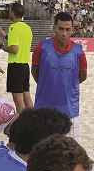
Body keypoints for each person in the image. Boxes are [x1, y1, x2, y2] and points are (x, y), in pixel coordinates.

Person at [31, 11, 87, 140]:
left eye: (68, 29)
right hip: (44, 108)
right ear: (54, 28)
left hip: (69, 108)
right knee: (44, 149)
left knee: (71, 152)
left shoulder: (78, 51)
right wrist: (49, 83)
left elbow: (83, 75)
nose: (64, 33)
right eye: (60, 29)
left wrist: (68, 84)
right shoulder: (42, 47)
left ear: (73, 30)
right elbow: (35, 71)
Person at [0, 2, 34, 113]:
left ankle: (23, 122)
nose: (9, 13)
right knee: (26, 94)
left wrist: (1, 46)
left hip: (15, 65)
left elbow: (14, 49)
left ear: (13, 12)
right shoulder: (27, 28)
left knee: (18, 98)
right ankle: (33, 119)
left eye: (10, 11)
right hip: (25, 65)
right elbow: (20, 41)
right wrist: (6, 36)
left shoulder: (13, 27)